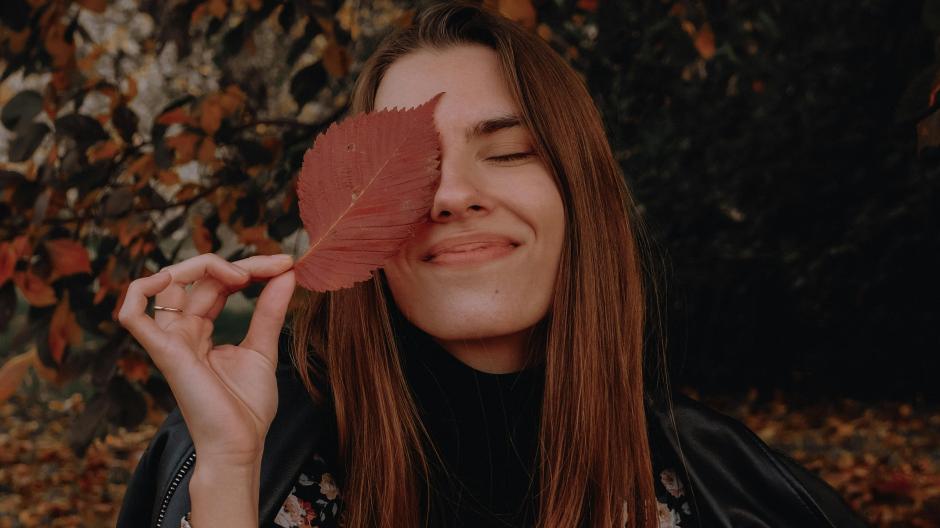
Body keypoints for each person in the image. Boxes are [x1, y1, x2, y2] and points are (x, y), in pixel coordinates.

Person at [115, 3, 868, 527]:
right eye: (408, 173)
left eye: (507, 152)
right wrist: (229, 466)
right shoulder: (242, 456)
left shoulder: (731, 491)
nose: (449, 196)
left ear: (583, 196)